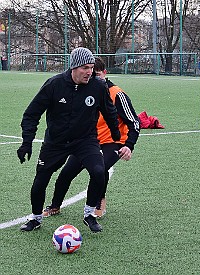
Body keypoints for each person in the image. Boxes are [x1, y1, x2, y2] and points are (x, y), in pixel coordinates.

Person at [17, 47, 121, 233]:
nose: (89, 72)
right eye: (85, 68)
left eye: (91, 67)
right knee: (41, 179)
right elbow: (31, 115)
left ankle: (89, 214)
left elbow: (109, 111)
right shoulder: (54, 85)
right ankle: (36, 218)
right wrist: (26, 142)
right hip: (56, 142)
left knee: (98, 171)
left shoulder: (98, 86)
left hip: (85, 140)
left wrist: (115, 134)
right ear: (73, 67)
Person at [43, 56, 140, 219]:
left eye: (96, 74)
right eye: (88, 73)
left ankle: (98, 201)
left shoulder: (117, 93)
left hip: (113, 142)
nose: (91, 77)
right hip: (89, 141)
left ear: (104, 73)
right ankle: (55, 206)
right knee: (67, 172)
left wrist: (129, 145)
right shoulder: (83, 90)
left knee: (99, 169)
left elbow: (134, 122)